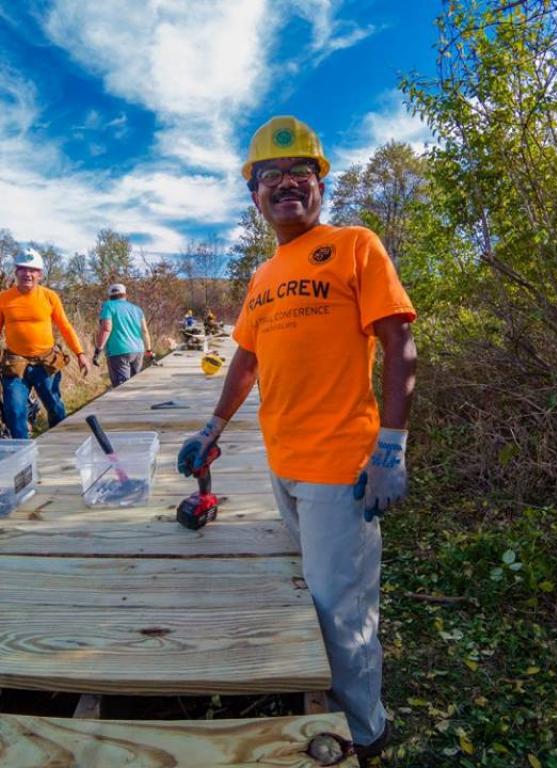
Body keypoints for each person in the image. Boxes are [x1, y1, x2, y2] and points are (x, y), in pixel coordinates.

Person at [177, 115, 417, 766]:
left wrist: (390, 446)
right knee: (310, 592)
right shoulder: (261, 278)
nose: (286, 184)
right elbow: (245, 361)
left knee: (342, 610)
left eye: (300, 173)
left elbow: (399, 344)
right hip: (280, 465)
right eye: (269, 176)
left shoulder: (355, 247)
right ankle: (316, 698)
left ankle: (366, 734)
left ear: (320, 186)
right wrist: (212, 427)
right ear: (254, 196)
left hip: (341, 469)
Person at [0, 248, 90, 438]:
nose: (27, 274)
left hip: (45, 364)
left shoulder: (49, 296)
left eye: (33, 270)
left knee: (54, 406)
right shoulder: (3, 298)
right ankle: (23, 456)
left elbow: (65, 326)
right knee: (14, 411)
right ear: (16, 272)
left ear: (40, 274)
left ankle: (60, 441)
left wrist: (80, 354)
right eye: (23, 269)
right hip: (15, 365)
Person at [92, 283, 152, 387]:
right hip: (138, 351)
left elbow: (106, 329)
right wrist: (149, 350)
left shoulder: (108, 306)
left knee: (122, 388)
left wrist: (98, 350)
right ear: (125, 294)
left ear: (110, 296)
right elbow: (145, 331)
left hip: (118, 352)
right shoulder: (137, 309)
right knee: (135, 385)